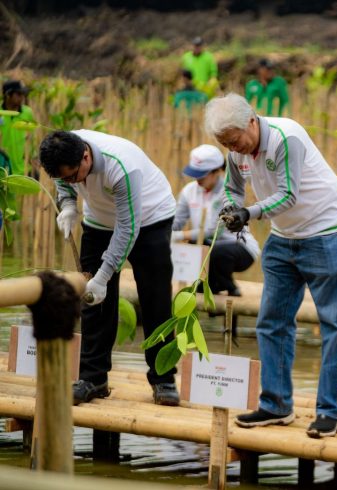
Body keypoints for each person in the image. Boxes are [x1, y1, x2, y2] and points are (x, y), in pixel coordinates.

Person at [205, 93, 337, 438]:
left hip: (324, 230)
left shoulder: (288, 137)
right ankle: (276, 405)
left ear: (252, 121)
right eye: (225, 143)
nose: (233, 148)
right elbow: (233, 188)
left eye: (235, 139)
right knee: (271, 322)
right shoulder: (235, 150)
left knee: (335, 324)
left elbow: (289, 195)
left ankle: (331, 411)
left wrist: (248, 214)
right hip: (283, 236)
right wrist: (231, 208)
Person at [39, 130, 179, 406]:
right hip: (99, 220)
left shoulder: (121, 166)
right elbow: (63, 183)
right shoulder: (64, 152)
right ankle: (93, 377)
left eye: (72, 176)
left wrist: (104, 275)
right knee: (93, 300)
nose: (68, 181)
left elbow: (128, 228)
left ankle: (163, 379)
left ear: (86, 156)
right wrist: (68, 206)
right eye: (61, 178)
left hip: (149, 218)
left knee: (156, 300)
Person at [172, 144, 260, 295]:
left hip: (239, 248)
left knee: (211, 253)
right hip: (210, 248)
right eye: (195, 173)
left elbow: (213, 232)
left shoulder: (228, 194)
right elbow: (177, 221)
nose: (197, 179)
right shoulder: (189, 191)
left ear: (217, 171)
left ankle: (230, 287)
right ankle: (210, 286)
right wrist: (166, 233)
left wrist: (179, 236)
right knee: (195, 246)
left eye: (202, 174)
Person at [0, 80, 36, 177]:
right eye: (18, 94)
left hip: (23, 169)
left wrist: (32, 158)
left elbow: (31, 138)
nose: (22, 97)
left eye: (23, 94)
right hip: (3, 168)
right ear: (8, 95)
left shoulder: (27, 113)